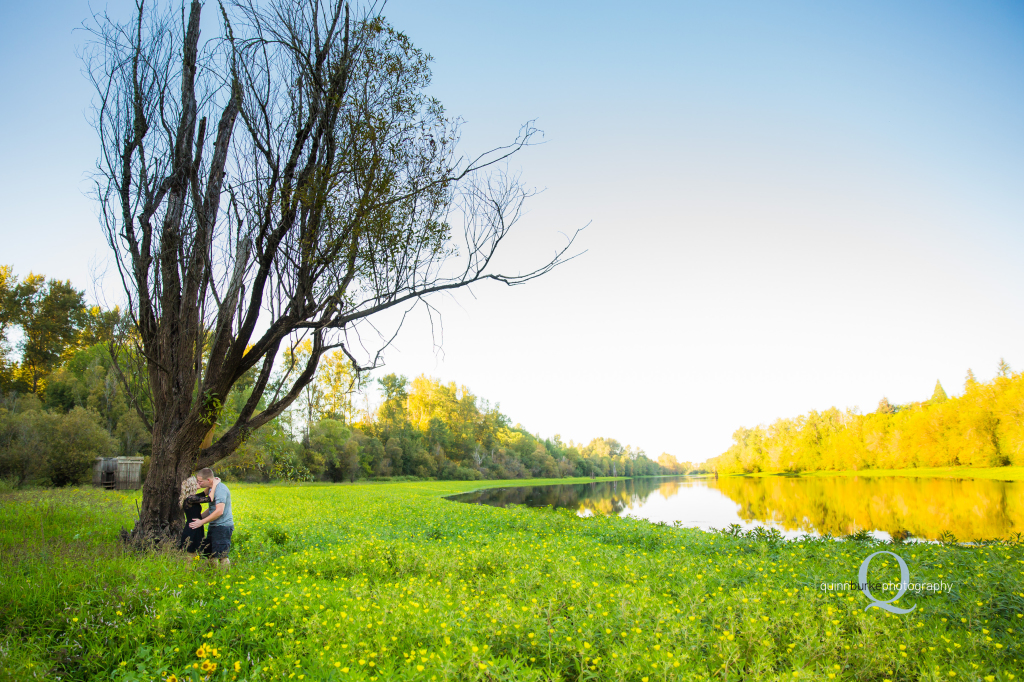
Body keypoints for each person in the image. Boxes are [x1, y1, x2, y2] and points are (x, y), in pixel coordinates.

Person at [189, 468, 233, 570]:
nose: (198, 484)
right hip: (213, 525)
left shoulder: (220, 490)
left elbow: (219, 511)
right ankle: (213, 576)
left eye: (200, 481)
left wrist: (201, 522)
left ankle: (224, 579)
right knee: (210, 554)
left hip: (222, 527)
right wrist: (198, 518)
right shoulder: (210, 489)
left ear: (208, 480)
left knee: (222, 556)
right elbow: (212, 509)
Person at [178, 476, 211, 558]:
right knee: (191, 554)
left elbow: (204, 493)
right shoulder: (190, 498)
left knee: (196, 553)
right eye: (197, 482)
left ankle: (192, 569)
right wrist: (216, 484)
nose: (199, 483)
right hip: (193, 528)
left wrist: (211, 483)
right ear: (192, 485)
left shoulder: (192, 497)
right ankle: (188, 570)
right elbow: (210, 498)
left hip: (196, 526)